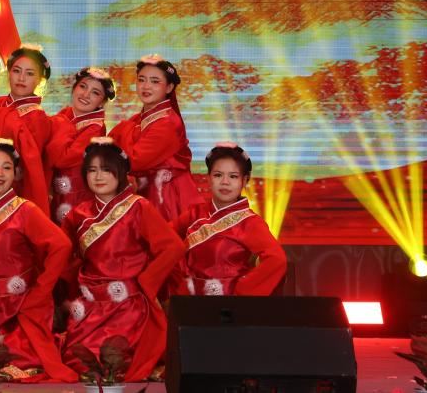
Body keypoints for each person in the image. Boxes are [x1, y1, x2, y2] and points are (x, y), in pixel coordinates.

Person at [60, 138, 183, 383]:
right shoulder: (78, 214)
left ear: (121, 172)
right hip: (91, 306)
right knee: (76, 360)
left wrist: (145, 283)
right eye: (92, 170)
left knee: (112, 362)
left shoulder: (138, 208)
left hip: (128, 308)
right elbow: (65, 257)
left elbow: (173, 248)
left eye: (106, 169)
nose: (98, 176)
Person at [0, 138, 78, 382]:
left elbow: (61, 246)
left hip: (19, 306)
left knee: (17, 357)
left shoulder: (24, 210)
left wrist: (41, 291)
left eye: (7, 167)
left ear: (15, 174)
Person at [172, 142, 287, 296]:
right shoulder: (193, 214)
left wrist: (242, 290)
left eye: (233, 176)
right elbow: (163, 242)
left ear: (244, 181)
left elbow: (277, 260)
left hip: (227, 304)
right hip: (188, 300)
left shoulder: (250, 222)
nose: (225, 182)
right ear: (209, 179)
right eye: (218, 175)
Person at [109, 54, 204, 222]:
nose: (146, 86)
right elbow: (110, 143)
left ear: (169, 87)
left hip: (168, 197)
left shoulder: (168, 123)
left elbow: (133, 160)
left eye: (155, 81)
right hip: (150, 192)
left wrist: (123, 130)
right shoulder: (138, 119)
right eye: (141, 80)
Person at [0, 45, 53, 212]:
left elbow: (31, 164)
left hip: (17, 187)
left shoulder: (37, 117)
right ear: (9, 73)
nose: (21, 78)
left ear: (39, 80)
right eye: (16, 71)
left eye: (30, 74)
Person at [47, 67, 114, 223]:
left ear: (102, 102)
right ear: (74, 88)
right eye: (83, 86)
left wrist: (60, 125)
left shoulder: (96, 128)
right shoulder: (65, 114)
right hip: (56, 192)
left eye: (95, 93)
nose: (85, 94)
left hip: (77, 194)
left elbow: (64, 159)